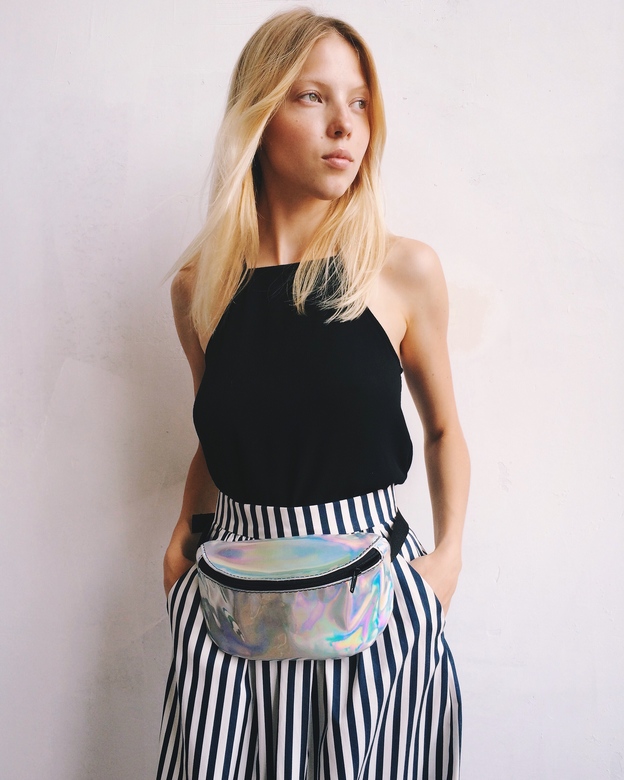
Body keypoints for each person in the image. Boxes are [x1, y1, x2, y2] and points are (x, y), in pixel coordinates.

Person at [157, 8, 470, 780]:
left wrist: (446, 563)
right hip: (227, 612)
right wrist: (180, 543)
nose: (344, 125)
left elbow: (442, 431)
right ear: (259, 114)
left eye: (359, 102)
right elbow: (218, 433)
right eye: (312, 97)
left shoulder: (401, 271)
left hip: (375, 610)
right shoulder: (200, 288)